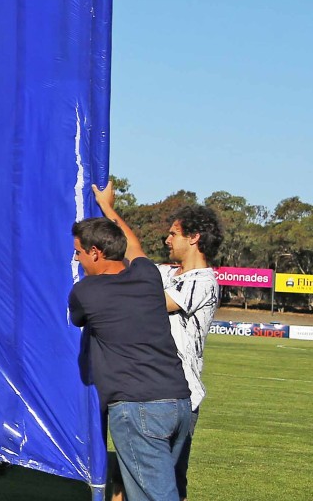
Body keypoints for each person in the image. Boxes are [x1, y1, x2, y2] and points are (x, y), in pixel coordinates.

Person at [74, 183, 193, 501]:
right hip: (178, 403)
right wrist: (109, 208)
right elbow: (134, 246)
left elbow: (75, 321)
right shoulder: (148, 275)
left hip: (138, 408)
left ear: (95, 253)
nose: (77, 259)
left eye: (79, 252)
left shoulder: (87, 292)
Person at [159, 205, 220, 501]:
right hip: (155, 389)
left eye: (173, 234)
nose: (167, 240)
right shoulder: (167, 271)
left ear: (194, 237)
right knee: (139, 477)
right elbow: (132, 255)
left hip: (181, 394)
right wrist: (108, 209)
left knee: (170, 481)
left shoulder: (204, 281)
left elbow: (161, 302)